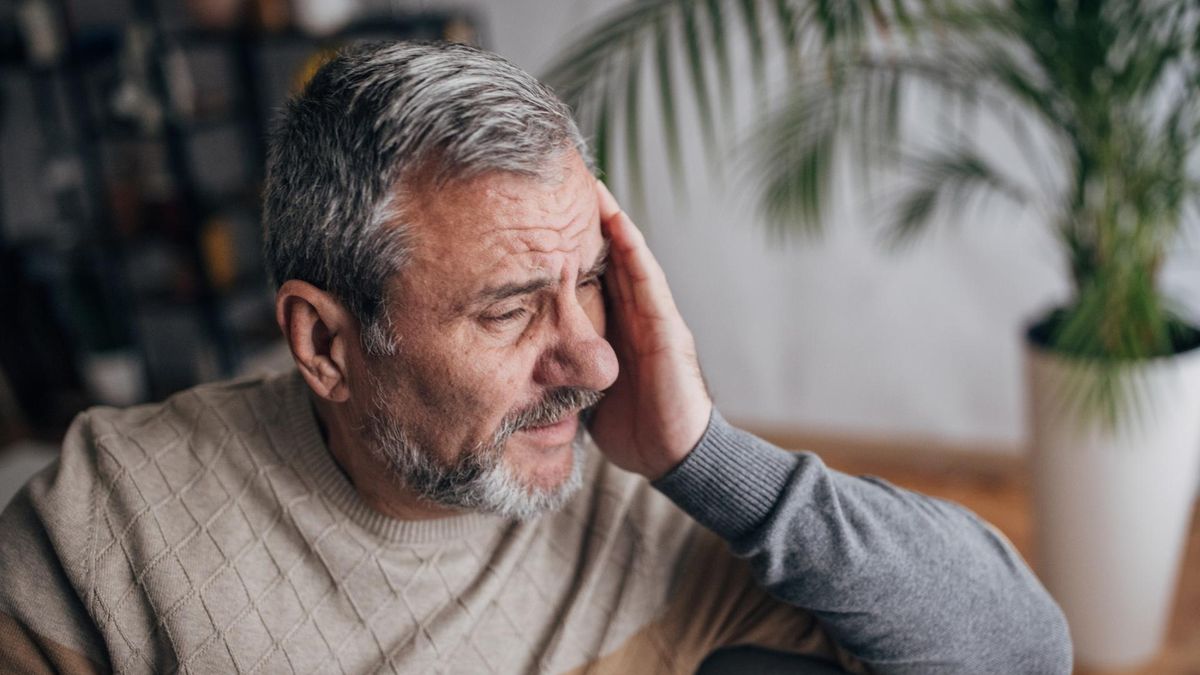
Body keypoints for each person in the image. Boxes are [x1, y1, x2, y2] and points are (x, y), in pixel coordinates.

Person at [0, 41, 1071, 674]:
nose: (596, 359)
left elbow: (1022, 650)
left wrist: (705, 454)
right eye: (513, 309)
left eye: (590, 279)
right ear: (327, 342)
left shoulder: (646, 499)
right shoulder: (112, 535)